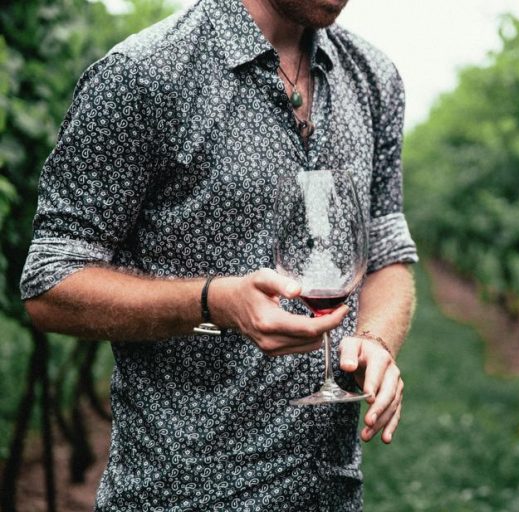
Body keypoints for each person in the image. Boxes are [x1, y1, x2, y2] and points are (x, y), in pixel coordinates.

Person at [19, 0, 418, 509]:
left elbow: (386, 254)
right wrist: (212, 303)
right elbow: (50, 283)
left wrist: (375, 339)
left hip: (331, 493)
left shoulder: (373, 78)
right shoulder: (145, 76)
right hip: (181, 495)